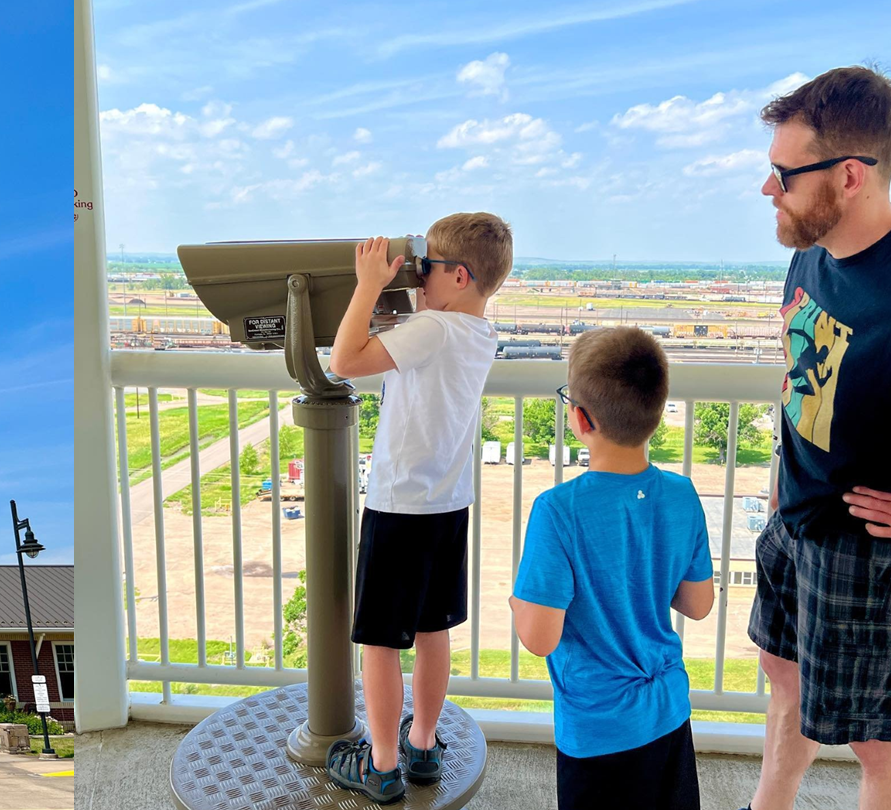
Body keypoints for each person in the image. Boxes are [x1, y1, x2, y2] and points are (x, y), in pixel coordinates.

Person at [321, 214, 512, 803]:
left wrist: (368, 285)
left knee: (379, 640)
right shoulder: (478, 333)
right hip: (448, 504)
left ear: (457, 275)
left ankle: (380, 765)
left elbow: (344, 362)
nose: (418, 279)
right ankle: (423, 745)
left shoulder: (431, 329)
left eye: (424, 268)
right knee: (432, 630)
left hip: (400, 504)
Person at [743, 65, 891, 810]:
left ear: (850, 177)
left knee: (878, 745)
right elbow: (801, 372)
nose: (767, 189)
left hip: (868, 556)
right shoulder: (810, 252)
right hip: (793, 521)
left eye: (783, 174)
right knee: (784, 681)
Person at [511, 326, 714, 810]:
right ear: (657, 413)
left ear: (580, 418)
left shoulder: (558, 510)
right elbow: (698, 604)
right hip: (668, 714)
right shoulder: (683, 494)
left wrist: (520, 602)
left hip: (598, 730)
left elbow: (540, 639)